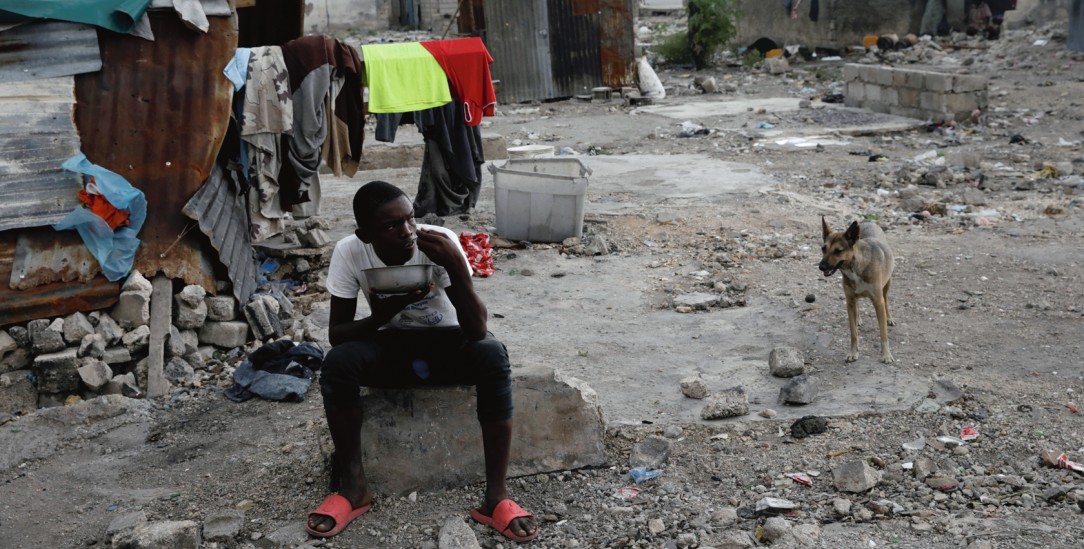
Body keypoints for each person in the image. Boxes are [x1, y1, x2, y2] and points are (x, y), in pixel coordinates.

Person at [305, 180, 539, 542]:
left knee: (492, 354)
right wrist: (382, 314)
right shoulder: (350, 252)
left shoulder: (438, 242)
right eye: (391, 226)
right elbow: (338, 333)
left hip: (448, 344)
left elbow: (476, 329)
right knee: (338, 363)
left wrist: (456, 267)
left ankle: (496, 497)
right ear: (366, 235)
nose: (407, 232)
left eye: (410, 218)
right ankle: (354, 489)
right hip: (391, 345)